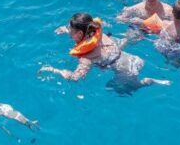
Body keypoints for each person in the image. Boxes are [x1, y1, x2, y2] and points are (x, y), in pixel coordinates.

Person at [40, 13, 170, 92]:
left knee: (115, 89)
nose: (70, 34)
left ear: (80, 33)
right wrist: (66, 29)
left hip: (127, 73)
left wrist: (57, 71)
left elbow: (76, 78)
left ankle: (148, 82)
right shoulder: (97, 32)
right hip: (133, 59)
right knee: (121, 41)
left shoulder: (86, 56)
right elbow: (84, 30)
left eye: (71, 31)